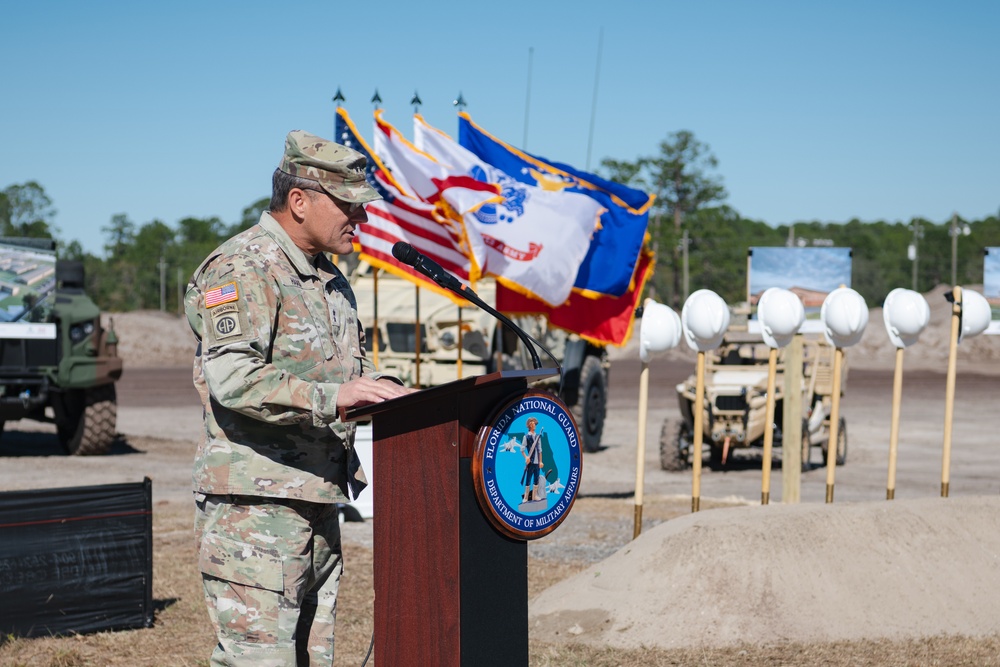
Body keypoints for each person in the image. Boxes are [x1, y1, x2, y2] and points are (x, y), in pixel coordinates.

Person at [185, 130, 414, 666]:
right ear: (299, 201)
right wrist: (334, 398)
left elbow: (347, 371)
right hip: (255, 508)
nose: (359, 222)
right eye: (350, 208)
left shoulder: (329, 279)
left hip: (316, 497)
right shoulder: (244, 267)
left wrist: (393, 392)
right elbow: (233, 377)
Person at [520, 417, 544, 503]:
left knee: (536, 480)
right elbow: (522, 449)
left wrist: (541, 461)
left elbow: (540, 450)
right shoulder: (526, 437)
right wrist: (526, 457)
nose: (535, 426)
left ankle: (534, 496)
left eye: (535, 424)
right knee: (528, 480)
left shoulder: (538, 437)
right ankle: (526, 497)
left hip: (537, 463)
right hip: (530, 462)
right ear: (530, 425)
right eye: (533, 424)